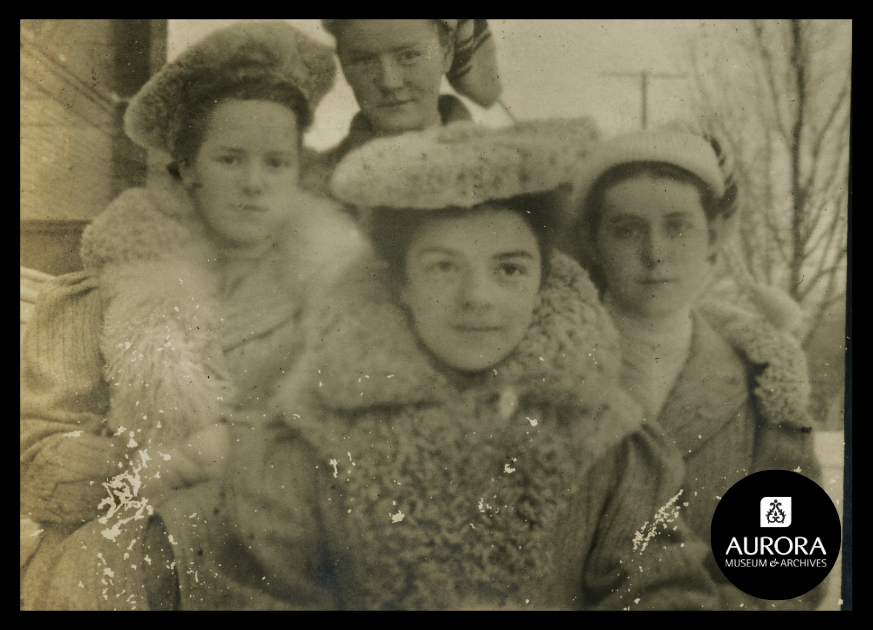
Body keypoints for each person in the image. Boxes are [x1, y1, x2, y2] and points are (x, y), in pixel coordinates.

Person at [141, 122, 761, 610]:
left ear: (543, 282)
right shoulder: (304, 447)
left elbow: (664, 597)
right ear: (401, 284)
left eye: (509, 268)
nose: (478, 298)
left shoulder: (610, 447)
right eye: (443, 266)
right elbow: (254, 597)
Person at [20, 21, 365, 610]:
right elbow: (40, 458)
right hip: (131, 562)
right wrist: (141, 463)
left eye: (275, 162)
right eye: (231, 158)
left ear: (297, 170)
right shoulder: (112, 289)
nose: (255, 183)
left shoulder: (344, 297)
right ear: (189, 166)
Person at [567, 123, 825, 608]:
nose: (655, 253)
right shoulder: (553, 371)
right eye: (626, 229)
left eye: (678, 225)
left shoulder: (765, 383)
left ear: (714, 235)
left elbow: (793, 572)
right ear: (593, 241)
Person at [301, 19, 502, 198]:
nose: (390, 82)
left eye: (408, 55)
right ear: (344, 66)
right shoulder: (309, 188)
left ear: (447, 53)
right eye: (364, 60)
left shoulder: (502, 170)